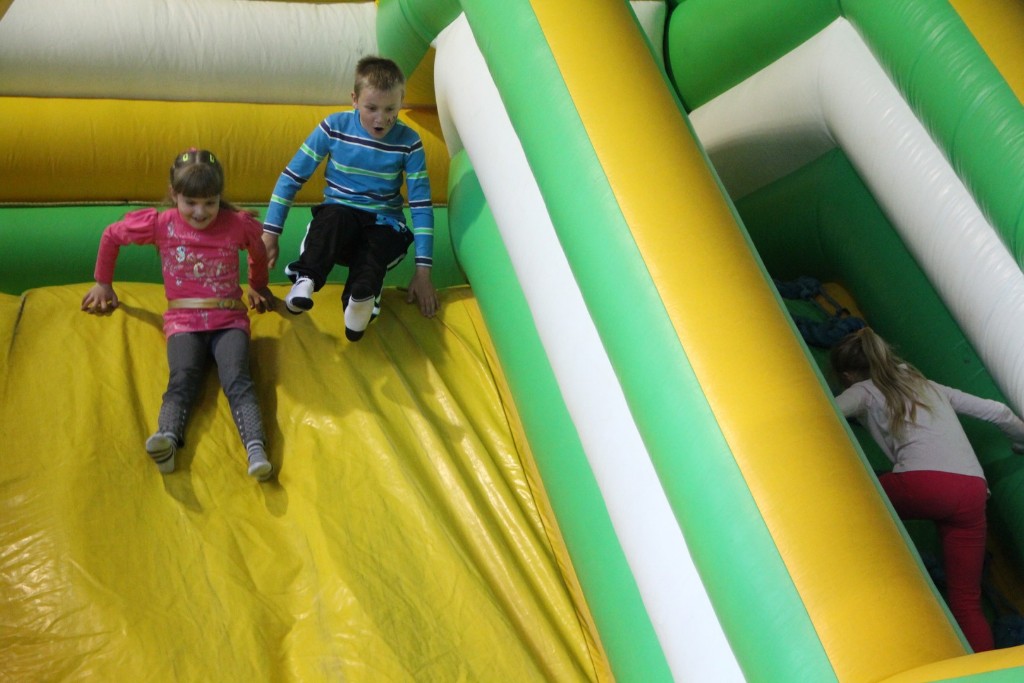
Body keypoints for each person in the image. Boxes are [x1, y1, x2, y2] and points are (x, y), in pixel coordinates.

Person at [81, 148, 276, 481]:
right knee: (182, 378)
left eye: (210, 203)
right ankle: (167, 440)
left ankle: (256, 452)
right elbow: (112, 235)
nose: (200, 212)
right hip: (184, 322)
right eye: (190, 203)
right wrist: (103, 283)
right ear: (175, 195)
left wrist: (258, 286)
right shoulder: (162, 224)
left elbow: (257, 250)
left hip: (228, 321)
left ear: (220, 197)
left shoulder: (235, 225)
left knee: (238, 379)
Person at [831, 327, 1024, 652]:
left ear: (849, 375)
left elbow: (823, 413)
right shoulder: (927, 386)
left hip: (924, 484)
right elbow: (1000, 411)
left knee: (847, 498)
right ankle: (987, 668)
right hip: (973, 492)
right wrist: (1020, 441)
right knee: (966, 601)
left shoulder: (863, 391)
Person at [262, 55, 438, 342]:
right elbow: (291, 178)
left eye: (390, 109)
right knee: (334, 217)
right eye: (371, 108)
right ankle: (306, 279)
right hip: (339, 220)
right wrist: (270, 234)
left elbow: (420, 206)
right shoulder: (334, 127)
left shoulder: (409, 142)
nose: (381, 118)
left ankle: (361, 299)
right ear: (354, 100)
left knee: (378, 243)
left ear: (401, 102)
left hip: (383, 222)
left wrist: (423, 273)